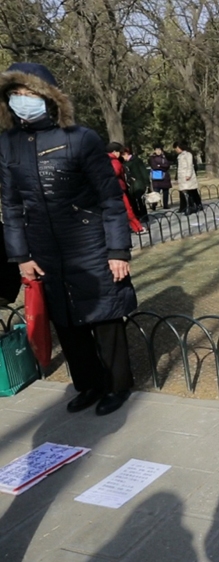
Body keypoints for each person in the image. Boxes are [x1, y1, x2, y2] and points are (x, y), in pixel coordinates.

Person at [0, 62, 137, 415]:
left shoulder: (80, 138)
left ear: (48, 97)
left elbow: (110, 198)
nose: (21, 101)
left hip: (89, 242)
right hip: (44, 248)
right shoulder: (8, 144)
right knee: (66, 320)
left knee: (104, 316)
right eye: (15, 94)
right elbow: (11, 206)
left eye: (28, 94)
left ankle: (117, 386)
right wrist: (21, 257)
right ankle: (88, 383)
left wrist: (118, 250)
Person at [106, 142, 144, 233]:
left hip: (107, 189)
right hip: (118, 188)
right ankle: (137, 228)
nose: (120, 154)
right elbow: (115, 172)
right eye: (119, 152)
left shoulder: (102, 160)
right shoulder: (114, 161)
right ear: (115, 152)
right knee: (128, 209)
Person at [174, 141, 202, 214]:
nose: (176, 150)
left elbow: (190, 165)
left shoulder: (188, 154)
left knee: (189, 192)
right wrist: (177, 177)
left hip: (187, 177)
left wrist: (188, 175)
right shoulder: (179, 156)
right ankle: (188, 206)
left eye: (176, 148)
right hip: (182, 177)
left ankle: (191, 207)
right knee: (185, 192)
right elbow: (179, 168)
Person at [122, 147, 149, 221]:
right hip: (130, 185)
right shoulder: (125, 163)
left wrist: (147, 183)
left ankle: (144, 216)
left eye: (123, 155)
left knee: (140, 200)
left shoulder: (136, 160)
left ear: (126, 154)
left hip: (139, 183)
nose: (123, 157)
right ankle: (137, 216)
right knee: (133, 201)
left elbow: (143, 171)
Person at [148, 144, 172, 210]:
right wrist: (162, 166)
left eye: (159, 150)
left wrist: (160, 166)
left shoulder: (165, 157)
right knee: (156, 192)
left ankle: (165, 205)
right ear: (154, 150)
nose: (158, 151)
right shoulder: (152, 157)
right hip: (157, 177)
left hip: (165, 177)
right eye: (157, 150)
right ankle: (154, 205)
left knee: (166, 191)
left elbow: (167, 165)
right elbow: (154, 166)